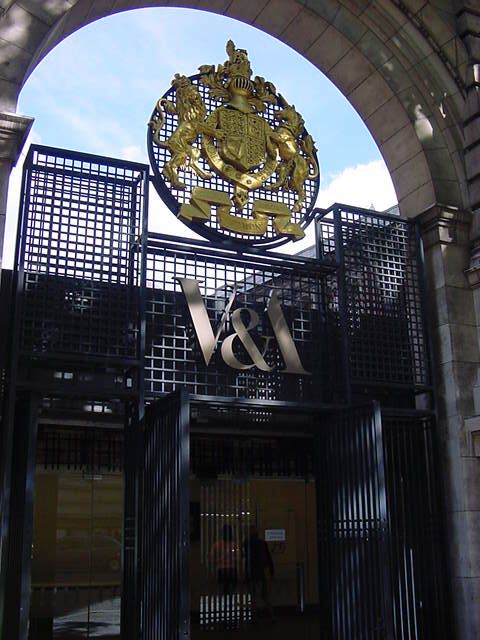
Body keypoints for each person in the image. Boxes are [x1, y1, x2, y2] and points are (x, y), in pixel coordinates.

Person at [243, 525, 275, 621]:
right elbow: (268, 557)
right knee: (264, 595)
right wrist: (271, 570)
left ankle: (255, 616)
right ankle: (271, 615)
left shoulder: (247, 543)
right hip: (261, 572)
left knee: (253, 596)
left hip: (252, 572)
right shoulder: (262, 543)